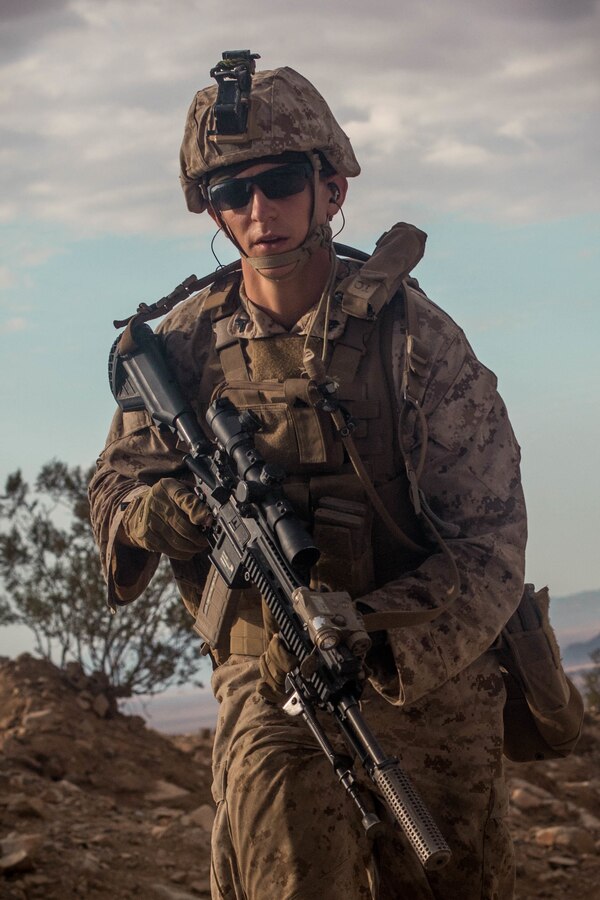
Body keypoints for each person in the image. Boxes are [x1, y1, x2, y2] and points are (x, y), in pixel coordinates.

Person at [89, 51, 527, 900]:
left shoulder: (415, 340)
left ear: (332, 188)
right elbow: (112, 487)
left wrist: (373, 635)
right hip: (269, 681)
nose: (258, 212)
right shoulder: (179, 346)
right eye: (229, 194)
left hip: (422, 681)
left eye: (281, 181)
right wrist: (159, 515)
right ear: (210, 209)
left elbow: (492, 545)